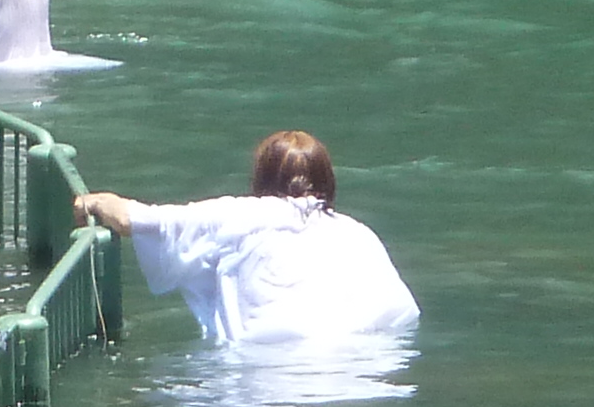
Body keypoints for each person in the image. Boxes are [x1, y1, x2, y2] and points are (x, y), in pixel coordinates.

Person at [75, 129, 418, 348]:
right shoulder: (358, 234)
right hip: (361, 371)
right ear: (327, 181)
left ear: (261, 180)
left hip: (265, 375)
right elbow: (401, 316)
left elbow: (131, 219)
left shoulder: (239, 215)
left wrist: (91, 201)